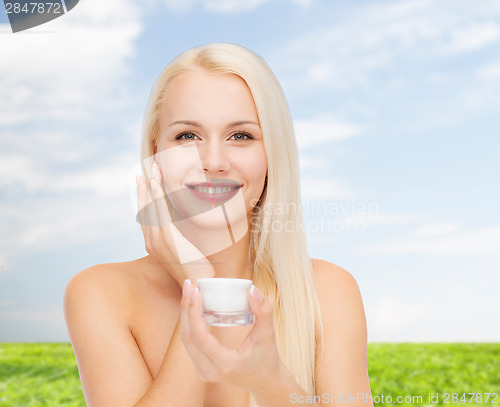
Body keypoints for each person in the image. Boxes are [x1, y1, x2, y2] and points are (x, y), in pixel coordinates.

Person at [64, 43, 373, 407]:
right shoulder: (100, 292)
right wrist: (202, 288)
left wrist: (270, 382)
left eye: (241, 136)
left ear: (272, 154)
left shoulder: (327, 291)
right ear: (155, 155)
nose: (213, 161)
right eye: (187, 136)